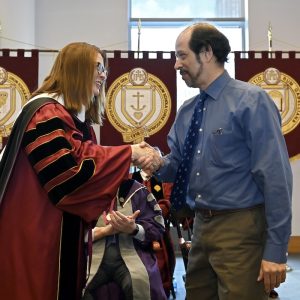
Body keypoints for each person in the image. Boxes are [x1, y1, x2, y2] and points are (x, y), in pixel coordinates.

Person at [140, 23, 293, 300]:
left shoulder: (251, 102)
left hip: (242, 229)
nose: (176, 65)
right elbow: (177, 165)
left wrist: (275, 251)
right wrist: (156, 161)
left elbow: (276, 178)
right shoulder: (187, 111)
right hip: (200, 229)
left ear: (207, 52)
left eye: (182, 55)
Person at [0, 42, 158, 300]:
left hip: (54, 233)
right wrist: (128, 153)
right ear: (76, 69)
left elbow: (84, 162)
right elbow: (68, 176)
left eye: (104, 68)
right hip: (36, 237)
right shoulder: (46, 113)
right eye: (97, 67)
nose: (104, 75)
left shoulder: (66, 116)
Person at [82, 178, 166, 300]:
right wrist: (105, 231)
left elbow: (157, 227)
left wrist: (134, 229)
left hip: (132, 254)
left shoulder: (137, 190)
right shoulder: (84, 191)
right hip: (91, 256)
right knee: (78, 285)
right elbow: (72, 233)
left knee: (139, 282)